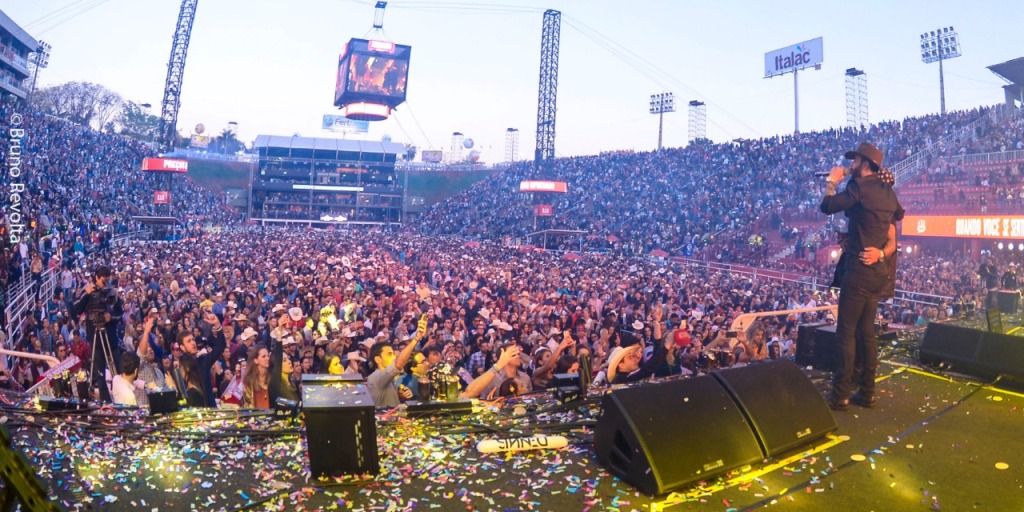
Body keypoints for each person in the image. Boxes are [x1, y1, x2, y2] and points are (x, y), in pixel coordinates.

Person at [820, 142, 904, 411]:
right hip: (878, 271)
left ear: (865, 164)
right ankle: (867, 392)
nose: (851, 164)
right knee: (867, 332)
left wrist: (833, 182)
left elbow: (827, 206)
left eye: (854, 161)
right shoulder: (887, 193)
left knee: (846, 332)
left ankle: (840, 394)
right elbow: (891, 221)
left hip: (858, 271)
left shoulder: (859, 188)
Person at [366, 315, 426, 408]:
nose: (394, 356)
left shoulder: (388, 379)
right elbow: (398, 365)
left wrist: (400, 396)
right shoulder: (376, 377)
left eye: (394, 354)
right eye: (389, 354)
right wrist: (416, 339)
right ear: (378, 359)